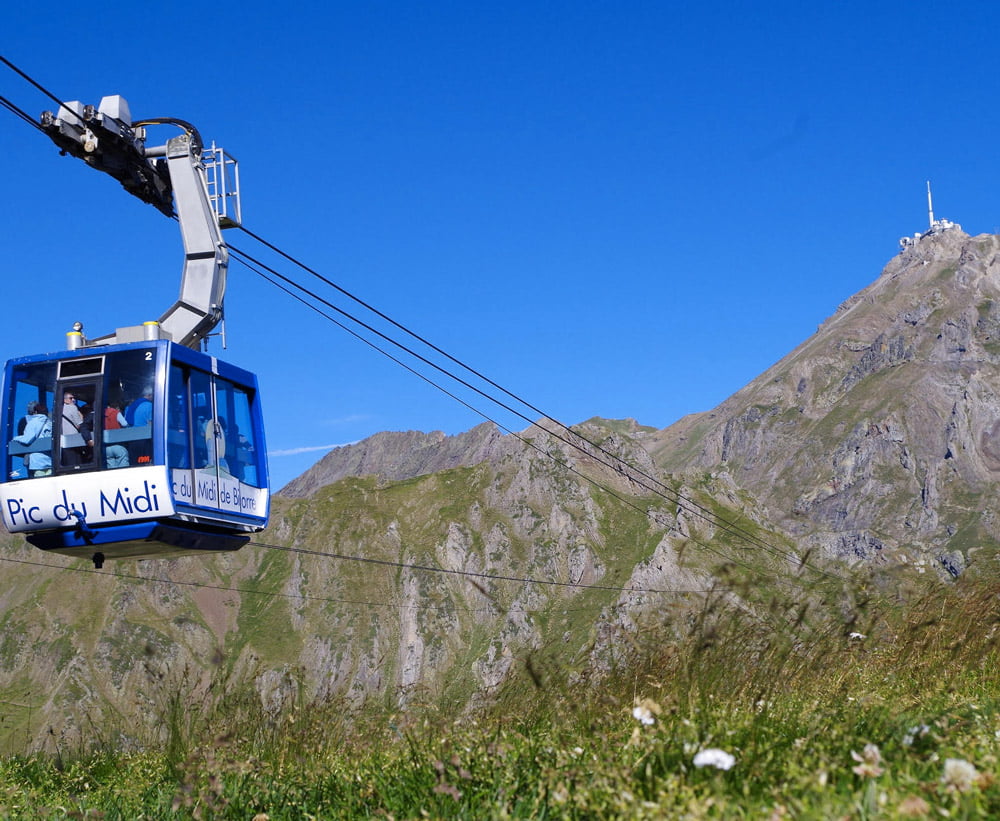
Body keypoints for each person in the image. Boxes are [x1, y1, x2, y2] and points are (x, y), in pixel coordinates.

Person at [13, 403, 52, 477]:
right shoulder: (50, 423)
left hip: (37, 462)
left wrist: (15, 438)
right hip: (49, 460)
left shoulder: (33, 422)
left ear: (35, 412)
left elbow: (27, 439)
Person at [103, 401, 130, 468]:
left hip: (107, 447)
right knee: (123, 468)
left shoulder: (101, 414)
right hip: (118, 445)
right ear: (117, 408)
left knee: (111, 470)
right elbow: (124, 424)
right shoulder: (115, 412)